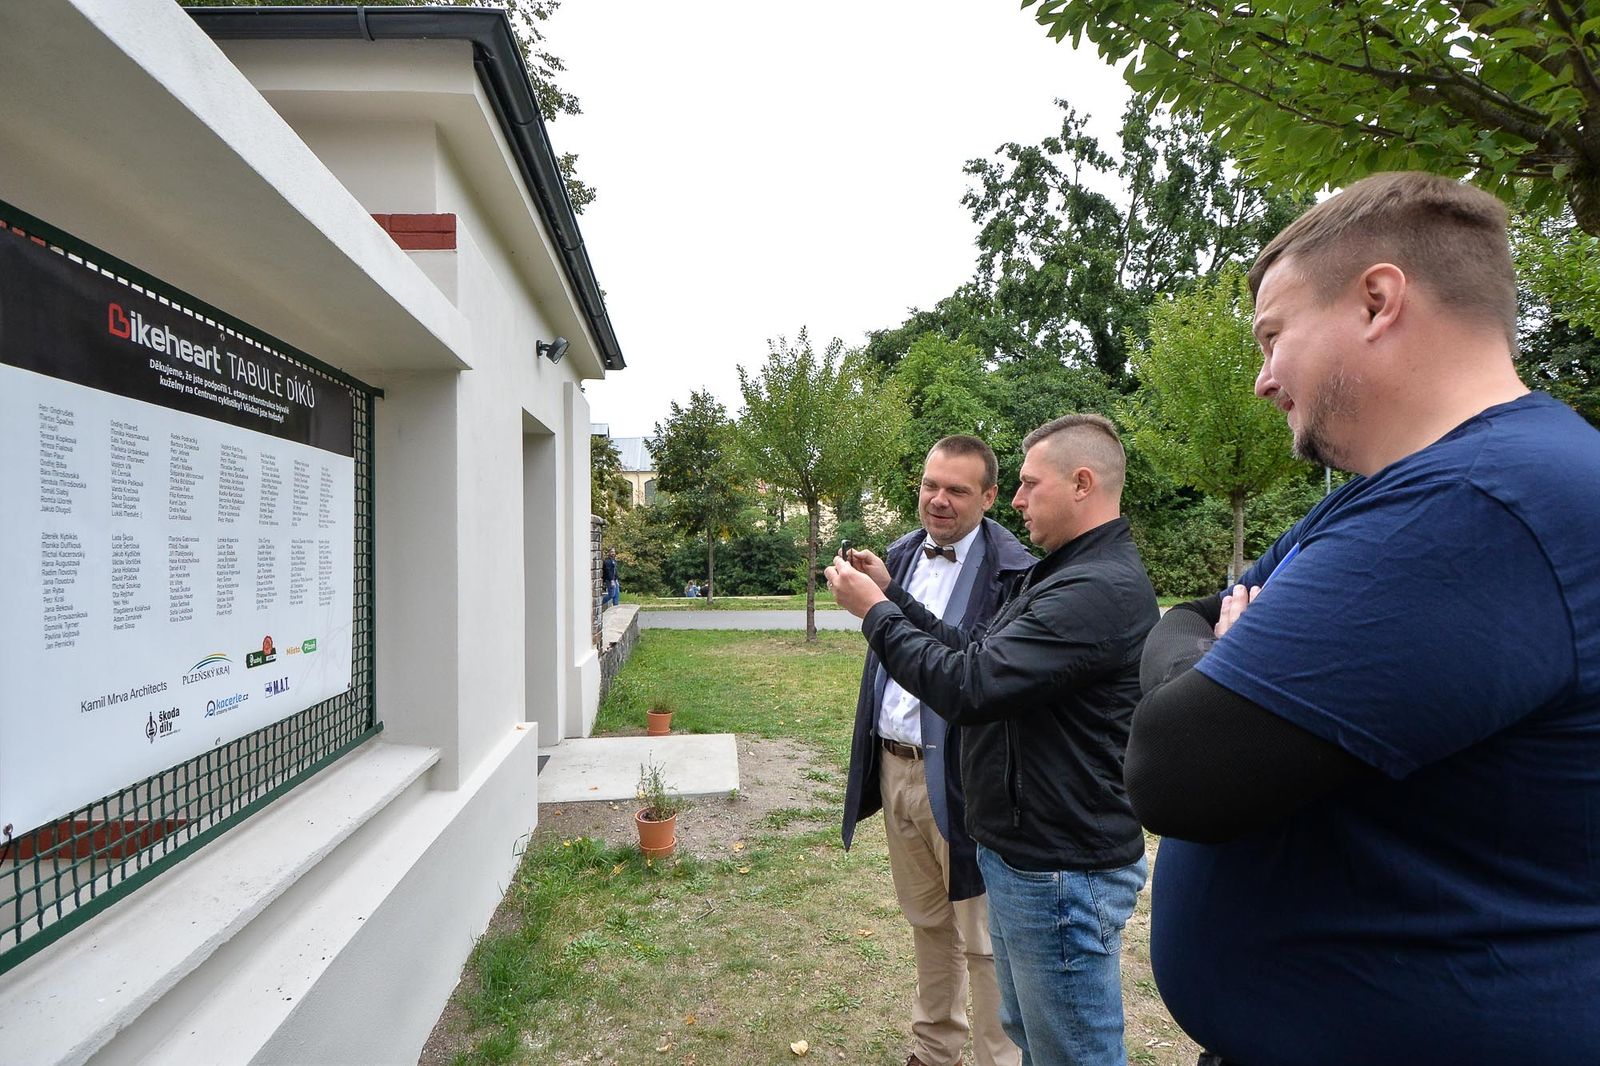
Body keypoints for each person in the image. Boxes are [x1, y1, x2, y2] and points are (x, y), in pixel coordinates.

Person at [1126, 172, 1600, 1065]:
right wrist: (1209, 651)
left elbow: (1174, 768)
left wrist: (1213, 661)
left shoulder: (1481, 503)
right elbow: (1188, 617)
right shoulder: (1400, 495)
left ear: (1378, 300)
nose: (1264, 381)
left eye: (1272, 338)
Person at [829, 415, 1158, 1066]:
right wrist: (896, 600)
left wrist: (875, 614)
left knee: (1071, 1053)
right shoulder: (1063, 574)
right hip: (1027, 855)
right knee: (1038, 1039)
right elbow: (976, 649)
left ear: (1082, 484)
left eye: (1029, 483)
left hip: (1062, 869)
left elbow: (969, 685)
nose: (1016, 498)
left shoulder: (1095, 590)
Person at [840, 435, 1034, 1066]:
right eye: (930, 485)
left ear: (989, 496)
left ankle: (995, 1059)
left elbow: (969, 664)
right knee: (926, 922)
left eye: (956, 490)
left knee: (982, 939)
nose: (938, 501)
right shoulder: (899, 555)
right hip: (897, 766)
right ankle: (934, 1047)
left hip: (965, 779)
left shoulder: (1014, 573)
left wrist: (885, 601)